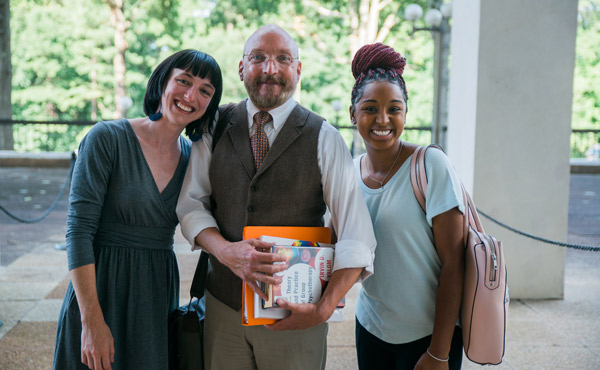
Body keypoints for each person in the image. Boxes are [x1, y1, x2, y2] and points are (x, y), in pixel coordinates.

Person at [176, 24, 377, 370]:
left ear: (298, 70)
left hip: (295, 315)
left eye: (283, 58)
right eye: (258, 58)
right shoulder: (214, 126)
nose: (270, 69)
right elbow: (192, 204)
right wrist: (226, 252)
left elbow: (357, 236)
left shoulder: (325, 138)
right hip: (224, 309)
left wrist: (323, 309)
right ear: (241, 68)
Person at [53, 49, 223, 370]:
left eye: (205, 90)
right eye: (183, 81)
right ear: (162, 83)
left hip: (155, 295)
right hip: (100, 285)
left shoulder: (194, 158)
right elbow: (78, 231)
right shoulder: (107, 138)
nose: (190, 95)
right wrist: (91, 321)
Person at [349, 43, 465, 370]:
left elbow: (454, 265)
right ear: (352, 113)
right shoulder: (349, 172)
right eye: (370, 108)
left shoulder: (430, 165)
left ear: (405, 113)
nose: (382, 119)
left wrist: (439, 352)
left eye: (394, 109)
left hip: (429, 337)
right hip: (371, 328)